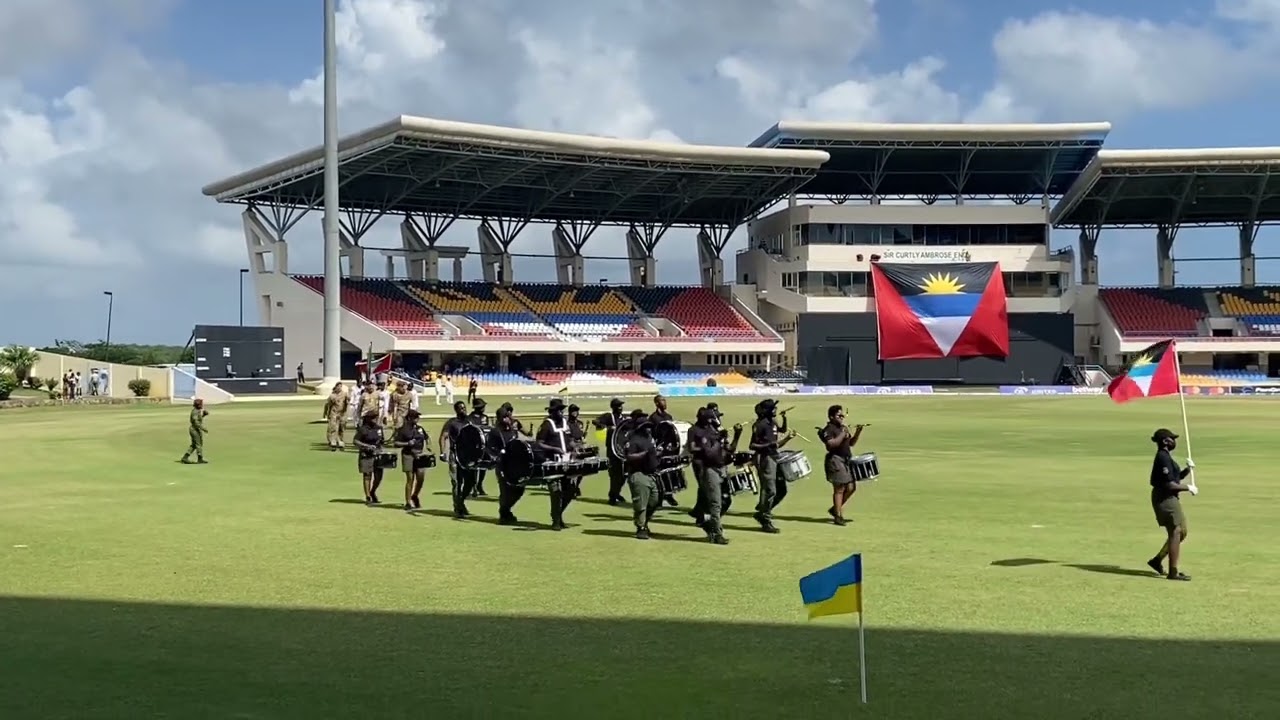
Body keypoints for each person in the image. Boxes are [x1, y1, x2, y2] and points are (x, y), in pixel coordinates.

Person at [1147, 428, 1198, 581]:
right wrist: (1188, 487)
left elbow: (1174, 478)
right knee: (1175, 531)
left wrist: (1187, 471)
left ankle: (1157, 560)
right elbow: (1169, 485)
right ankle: (1173, 572)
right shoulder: (1162, 457)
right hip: (1165, 499)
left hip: (1170, 498)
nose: (1174, 441)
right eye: (1172, 439)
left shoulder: (1167, 457)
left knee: (1182, 531)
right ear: (1165, 441)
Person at [687, 407, 739, 545]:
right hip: (708, 469)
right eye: (714, 418)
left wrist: (737, 435)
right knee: (715, 503)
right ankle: (716, 533)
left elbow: (729, 449)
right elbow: (707, 452)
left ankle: (707, 522)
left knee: (725, 500)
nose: (716, 420)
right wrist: (717, 440)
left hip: (721, 467)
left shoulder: (714, 431)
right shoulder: (698, 432)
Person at [750, 398, 796, 533]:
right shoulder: (760, 425)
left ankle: (763, 510)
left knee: (781, 490)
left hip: (774, 457)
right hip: (765, 458)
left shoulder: (773, 423)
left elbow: (781, 432)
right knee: (770, 490)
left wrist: (787, 433)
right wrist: (767, 445)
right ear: (768, 410)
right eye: (773, 408)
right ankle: (765, 518)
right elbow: (752, 445)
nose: (776, 409)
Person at [817, 404, 864, 526]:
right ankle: (838, 515)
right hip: (835, 460)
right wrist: (843, 434)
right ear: (831, 417)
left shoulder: (843, 428)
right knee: (840, 489)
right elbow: (831, 445)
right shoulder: (829, 429)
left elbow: (851, 443)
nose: (842, 417)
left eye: (842, 415)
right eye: (839, 415)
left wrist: (857, 432)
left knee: (851, 488)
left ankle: (834, 509)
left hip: (846, 460)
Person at [535, 398, 575, 530]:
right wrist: (554, 449)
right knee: (556, 491)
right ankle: (556, 520)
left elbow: (570, 439)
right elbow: (539, 442)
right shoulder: (547, 424)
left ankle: (559, 513)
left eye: (562, 410)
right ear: (553, 411)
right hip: (552, 462)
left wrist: (575, 447)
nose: (561, 412)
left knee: (569, 490)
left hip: (566, 461)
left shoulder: (565, 422)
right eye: (559, 410)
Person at [624, 409, 662, 539]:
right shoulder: (633, 440)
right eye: (646, 427)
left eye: (649, 427)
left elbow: (652, 452)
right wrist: (644, 454)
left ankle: (645, 522)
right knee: (641, 503)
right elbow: (629, 456)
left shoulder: (649, 439)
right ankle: (640, 527)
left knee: (654, 501)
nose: (648, 429)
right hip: (638, 473)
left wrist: (657, 453)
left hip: (651, 473)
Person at [489, 405, 523, 525]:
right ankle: (503, 514)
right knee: (505, 490)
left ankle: (506, 509)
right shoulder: (495, 432)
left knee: (519, 489)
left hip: (515, 464)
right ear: (499, 418)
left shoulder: (513, 431)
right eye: (504, 417)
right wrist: (497, 456)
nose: (507, 419)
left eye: (508, 417)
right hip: (502, 465)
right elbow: (489, 448)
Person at [393, 409, 430, 511]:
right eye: (415, 417)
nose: (417, 419)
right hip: (408, 455)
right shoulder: (403, 430)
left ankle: (415, 495)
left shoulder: (420, 429)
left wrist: (428, 445)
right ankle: (408, 501)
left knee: (421, 477)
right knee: (410, 478)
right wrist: (407, 444)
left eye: (417, 417)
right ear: (409, 418)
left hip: (419, 454)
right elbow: (396, 443)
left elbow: (426, 438)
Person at [594, 397, 628, 505]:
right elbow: (595, 421)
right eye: (618, 406)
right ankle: (612, 496)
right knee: (614, 474)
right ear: (613, 407)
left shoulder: (624, 419)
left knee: (625, 474)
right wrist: (606, 427)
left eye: (621, 406)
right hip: (612, 450)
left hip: (622, 449)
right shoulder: (609, 417)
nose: (620, 408)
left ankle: (616, 492)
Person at [648, 394, 679, 507]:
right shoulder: (653, 418)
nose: (665, 403)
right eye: (662, 401)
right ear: (656, 403)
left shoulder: (669, 417)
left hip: (669, 449)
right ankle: (660, 498)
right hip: (659, 449)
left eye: (665, 400)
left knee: (670, 472)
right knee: (660, 474)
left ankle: (669, 495)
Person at [353, 410, 387, 504]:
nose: (375, 419)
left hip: (377, 454)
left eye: (376, 417)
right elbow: (355, 441)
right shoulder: (363, 429)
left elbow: (382, 440)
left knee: (379, 476)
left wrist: (381, 446)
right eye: (373, 418)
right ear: (368, 419)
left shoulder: (379, 428)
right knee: (367, 475)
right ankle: (368, 496)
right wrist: (366, 446)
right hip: (366, 455)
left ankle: (373, 491)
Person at [438, 400, 468, 496]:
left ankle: (461, 501)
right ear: (456, 410)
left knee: (468, 481)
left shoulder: (469, 421)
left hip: (467, 455)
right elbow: (443, 436)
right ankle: (457, 504)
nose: (463, 410)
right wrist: (442, 452)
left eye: (464, 408)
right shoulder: (452, 423)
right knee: (456, 481)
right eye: (461, 408)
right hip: (455, 454)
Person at [467, 398, 491, 497]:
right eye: (482, 407)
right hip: (473, 446)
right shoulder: (470, 418)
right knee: (474, 467)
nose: (483, 408)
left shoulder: (485, 417)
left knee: (483, 466)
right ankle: (473, 487)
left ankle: (480, 484)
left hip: (484, 445)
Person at [180, 398, 209, 464]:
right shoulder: (195, 412)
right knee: (198, 444)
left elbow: (198, 420)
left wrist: (204, 415)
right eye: (201, 404)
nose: (202, 405)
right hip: (194, 429)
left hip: (196, 429)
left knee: (194, 445)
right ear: (198, 405)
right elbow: (196, 422)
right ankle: (200, 458)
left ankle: (185, 457)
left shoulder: (197, 411)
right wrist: (203, 428)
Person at [323, 383, 350, 450]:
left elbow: (347, 402)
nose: (339, 388)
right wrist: (325, 413)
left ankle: (340, 440)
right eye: (338, 387)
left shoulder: (345, 394)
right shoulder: (332, 396)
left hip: (342, 414)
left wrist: (348, 400)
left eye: (340, 387)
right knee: (333, 427)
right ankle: (332, 441)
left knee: (341, 428)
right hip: (334, 413)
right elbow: (327, 405)